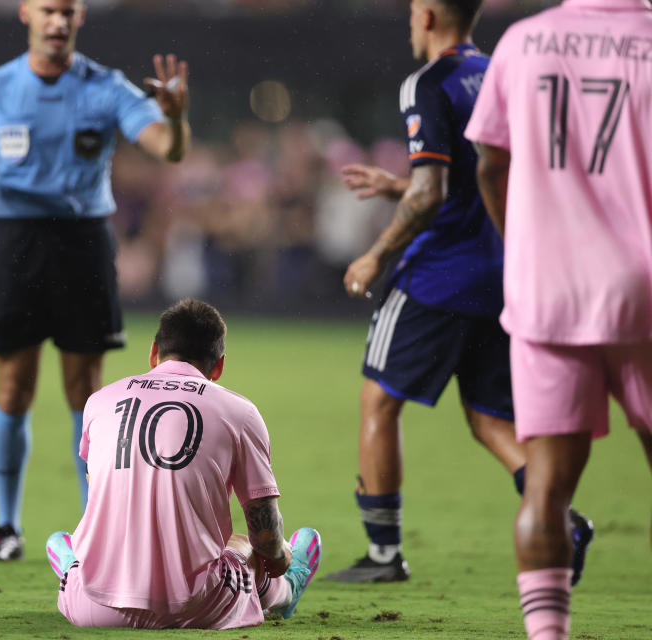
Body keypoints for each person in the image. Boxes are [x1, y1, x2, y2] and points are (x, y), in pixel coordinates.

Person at [324, 0, 593, 583]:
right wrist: (400, 183)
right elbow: (480, 177)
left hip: (438, 275)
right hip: (502, 272)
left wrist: (376, 253)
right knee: (489, 417)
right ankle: (564, 519)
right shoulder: (504, 72)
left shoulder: (428, 82)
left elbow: (431, 196)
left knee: (379, 401)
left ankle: (382, 555)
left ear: (425, 16)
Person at [0, 0, 192, 562]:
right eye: (48, 10)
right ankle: (5, 528)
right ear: (26, 14)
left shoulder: (106, 87)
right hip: (14, 243)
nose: (58, 21)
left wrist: (177, 116)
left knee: (85, 394)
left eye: (67, 11)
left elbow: (171, 149)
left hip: (83, 241)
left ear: (79, 17)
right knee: (14, 385)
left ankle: (95, 533)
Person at [464, 1, 652, 637]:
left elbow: (490, 164)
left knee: (546, 487)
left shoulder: (523, 41)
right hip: (643, 287)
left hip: (546, 289)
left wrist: (524, 248)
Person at [44, 298, 322, 629]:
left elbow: (100, 489)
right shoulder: (240, 412)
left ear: (153, 353)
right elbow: (266, 538)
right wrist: (281, 560)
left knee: (90, 534)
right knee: (244, 546)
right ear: (218, 366)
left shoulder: (99, 401)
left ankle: (71, 563)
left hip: (93, 607)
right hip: (195, 608)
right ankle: (288, 591)